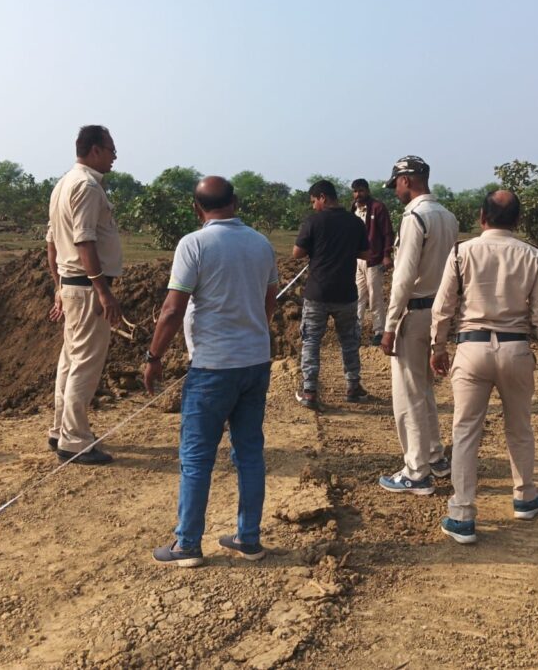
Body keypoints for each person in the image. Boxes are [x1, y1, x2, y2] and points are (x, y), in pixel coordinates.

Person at [144, 177, 279, 568]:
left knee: (196, 456)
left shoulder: (194, 244)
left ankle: (187, 543)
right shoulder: (261, 243)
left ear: (196, 208)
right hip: (255, 363)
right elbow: (269, 300)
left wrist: (154, 356)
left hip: (212, 367)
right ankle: (248, 538)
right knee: (249, 452)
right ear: (235, 203)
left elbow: (173, 309)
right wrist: (251, 331)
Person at [430, 190, 538, 544]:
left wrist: (437, 347)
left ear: (481, 217)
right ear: (518, 220)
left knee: (465, 432)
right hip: (516, 350)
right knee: (519, 427)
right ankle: (525, 497)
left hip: (471, 350)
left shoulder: (461, 252)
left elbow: (443, 307)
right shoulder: (532, 255)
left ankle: (462, 514)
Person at [378, 156, 458, 495]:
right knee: (424, 388)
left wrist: (389, 324)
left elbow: (403, 277)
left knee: (409, 393)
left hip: (415, 312)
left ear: (407, 180)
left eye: (396, 184)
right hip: (439, 312)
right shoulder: (448, 216)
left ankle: (416, 471)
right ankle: (435, 456)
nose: (396, 191)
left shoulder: (415, 217)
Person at [45, 125, 124, 466]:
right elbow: (84, 241)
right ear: (95, 150)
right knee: (85, 364)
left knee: (70, 360)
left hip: (73, 284)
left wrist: (58, 286)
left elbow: (52, 243)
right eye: (111, 149)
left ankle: (59, 430)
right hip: (87, 286)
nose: (114, 156)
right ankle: (74, 440)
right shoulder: (88, 187)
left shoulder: (63, 184)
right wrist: (103, 291)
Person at [293, 179, 371, 409]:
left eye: (313, 201)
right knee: (349, 341)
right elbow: (366, 254)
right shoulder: (355, 222)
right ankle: (353, 386)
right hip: (346, 293)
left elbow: (297, 253)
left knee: (311, 341)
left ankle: (309, 391)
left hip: (317, 293)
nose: (313, 206)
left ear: (323, 198)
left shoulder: (313, 221)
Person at [350, 178, 395, 346]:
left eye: (361, 190)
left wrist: (386, 254)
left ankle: (379, 331)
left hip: (374, 258)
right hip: (358, 259)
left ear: (367, 191)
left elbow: (387, 233)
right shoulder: (354, 209)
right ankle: (356, 330)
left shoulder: (378, 208)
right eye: (355, 191)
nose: (358, 194)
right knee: (358, 296)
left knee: (375, 296)